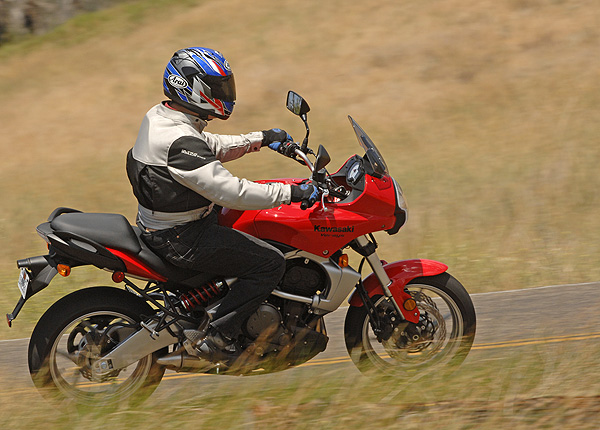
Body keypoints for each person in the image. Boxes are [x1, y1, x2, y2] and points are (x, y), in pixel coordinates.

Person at [126, 47, 318, 363]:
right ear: (192, 88)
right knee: (270, 262)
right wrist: (291, 193)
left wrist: (261, 138)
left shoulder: (163, 117)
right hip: (181, 237)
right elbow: (231, 192)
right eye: (218, 87)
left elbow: (208, 146)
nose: (226, 94)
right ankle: (218, 337)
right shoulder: (178, 139)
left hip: (171, 223)